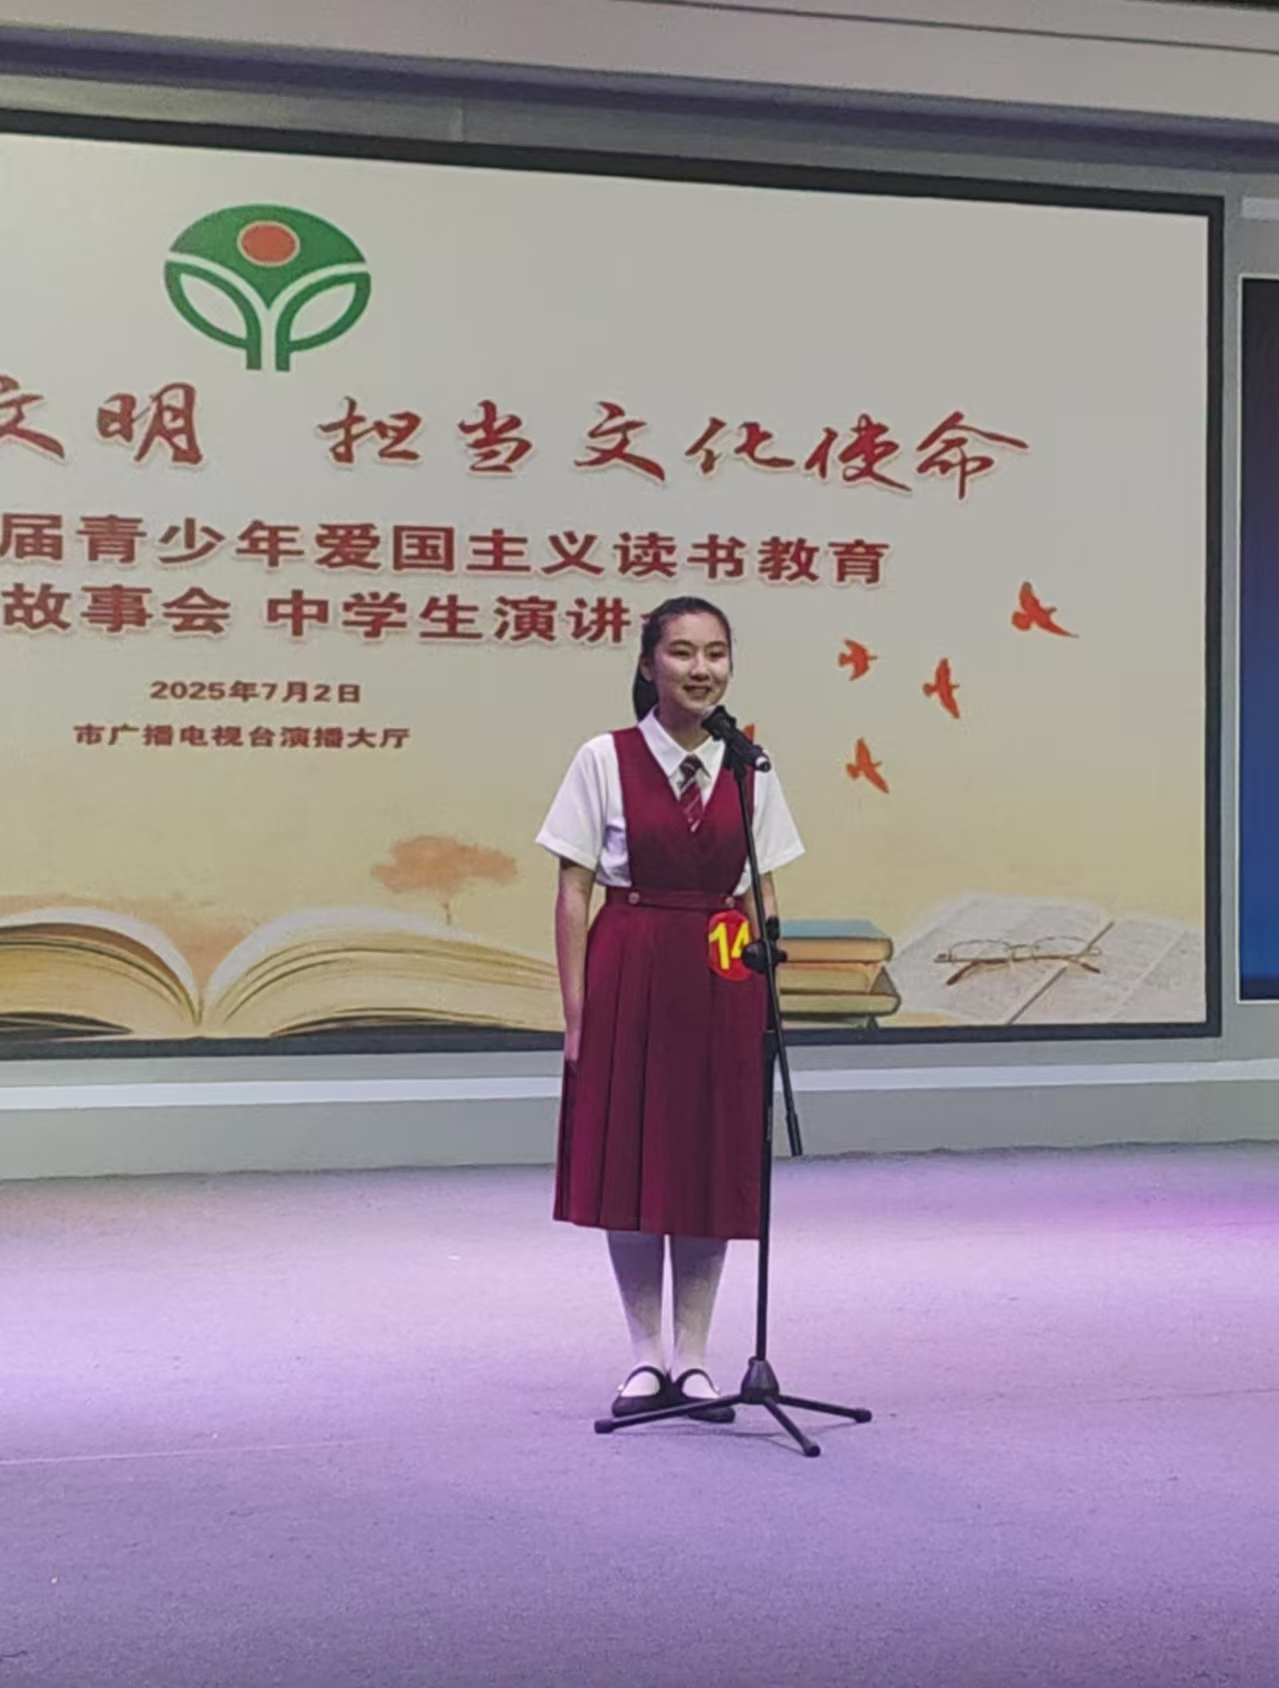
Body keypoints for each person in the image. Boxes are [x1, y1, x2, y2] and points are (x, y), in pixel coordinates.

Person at [536, 596, 804, 1421]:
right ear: (648, 663)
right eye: (682, 652)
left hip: (720, 970)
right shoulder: (603, 758)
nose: (701, 669)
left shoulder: (749, 765)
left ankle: (693, 1359)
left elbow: (761, 889)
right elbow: (573, 892)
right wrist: (577, 1017)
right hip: (631, 959)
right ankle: (643, 1357)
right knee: (630, 1158)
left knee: (706, 1162)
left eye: (715, 653)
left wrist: (764, 995)